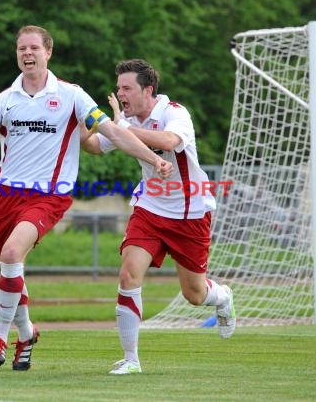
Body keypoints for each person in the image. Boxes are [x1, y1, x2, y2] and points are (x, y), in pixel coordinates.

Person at [0, 25, 173, 371]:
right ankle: (26, 331)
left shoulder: (72, 96)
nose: (27, 53)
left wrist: (154, 158)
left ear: (48, 52)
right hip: (6, 195)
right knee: (11, 269)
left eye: (34, 47)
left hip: (48, 197)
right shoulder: (4, 100)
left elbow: (112, 132)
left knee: (10, 254)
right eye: (21, 48)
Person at [81, 59, 236, 375]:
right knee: (128, 273)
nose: (120, 93)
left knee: (194, 294)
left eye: (127, 88)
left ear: (147, 90)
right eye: (119, 87)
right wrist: (80, 124)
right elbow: (96, 146)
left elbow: (167, 142)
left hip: (189, 213)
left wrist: (119, 126)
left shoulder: (173, 112)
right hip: (150, 208)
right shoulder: (125, 120)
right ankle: (131, 359)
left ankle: (222, 297)